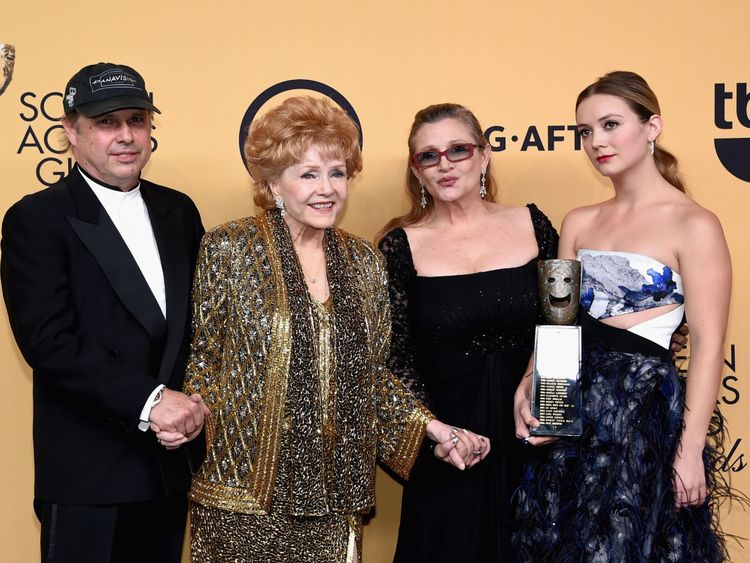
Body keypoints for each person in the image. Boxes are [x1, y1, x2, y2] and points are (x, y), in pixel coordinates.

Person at [178, 95, 489, 563]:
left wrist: (433, 430)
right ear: (272, 184)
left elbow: (373, 378)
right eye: (308, 174)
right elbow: (205, 359)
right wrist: (189, 415)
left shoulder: (364, 261)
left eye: (337, 173)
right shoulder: (229, 248)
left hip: (334, 502)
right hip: (242, 501)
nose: (327, 189)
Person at [513, 71, 733, 561]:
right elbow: (558, 325)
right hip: (569, 416)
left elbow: (709, 345)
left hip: (640, 417)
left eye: (610, 124)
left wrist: (691, 449)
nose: (597, 142)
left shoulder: (694, 224)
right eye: (586, 132)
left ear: (652, 126)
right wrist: (528, 385)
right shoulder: (579, 220)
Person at [1, 62, 207, 563]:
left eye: (137, 120)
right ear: (70, 130)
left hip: (169, 465)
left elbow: (202, 328)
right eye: (106, 123)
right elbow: (49, 342)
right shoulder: (36, 218)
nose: (126, 136)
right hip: (88, 474)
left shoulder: (179, 211)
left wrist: (195, 407)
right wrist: (152, 400)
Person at [376, 103, 558, 562]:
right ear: (416, 171)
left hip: (535, 437)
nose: (445, 164)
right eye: (429, 156)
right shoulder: (398, 247)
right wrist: (434, 435)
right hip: (451, 452)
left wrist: (554, 411)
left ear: (484, 154)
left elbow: (565, 323)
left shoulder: (534, 225)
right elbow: (393, 360)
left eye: (458, 149)